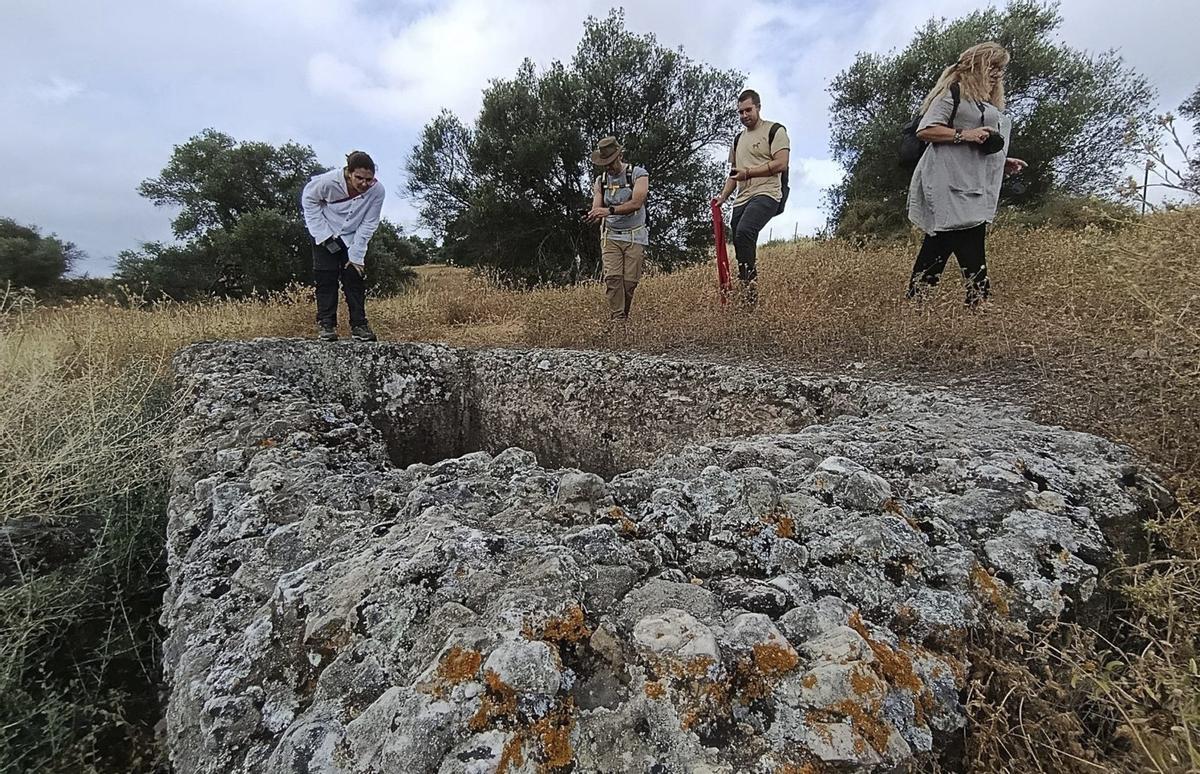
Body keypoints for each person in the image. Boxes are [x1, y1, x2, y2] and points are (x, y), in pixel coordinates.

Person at [906, 42, 1028, 306]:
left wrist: (1002, 161)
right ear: (977, 66)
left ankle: (920, 303)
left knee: (945, 244)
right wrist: (965, 134)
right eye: (993, 67)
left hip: (973, 186)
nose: (998, 74)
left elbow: (977, 145)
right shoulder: (953, 94)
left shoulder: (985, 104)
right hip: (948, 184)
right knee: (957, 242)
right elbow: (926, 131)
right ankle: (975, 304)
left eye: (1001, 69)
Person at [713, 89, 790, 305]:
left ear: (758, 107)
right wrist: (723, 197)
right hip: (742, 197)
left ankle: (750, 292)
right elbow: (734, 173)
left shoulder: (775, 130)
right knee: (739, 238)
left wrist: (749, 172)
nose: (744, 115)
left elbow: (781, 164)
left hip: (767, 193)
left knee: (746, 230)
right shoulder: (738, 140)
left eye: (748, 110)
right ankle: (748, 288)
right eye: (740, 112)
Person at [301, 150, 385, 341]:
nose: (364, 183)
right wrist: (323, 234)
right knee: (326, 278)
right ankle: (326, 325)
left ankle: (359, 326)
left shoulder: (377, 191)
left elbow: (370, 222)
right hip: (326, 231)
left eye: (369, 179)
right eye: (359, 178)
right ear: (349, 172)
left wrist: (357, 253)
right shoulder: (328, 182)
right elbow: (308, 199)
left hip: (352, 236)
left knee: (354, 279)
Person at [585, 136, 649, 320]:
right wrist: (593, 215)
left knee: (629, 284)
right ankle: (617, 321)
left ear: (620, 156)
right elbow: (597, 207)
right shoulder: (601, 181)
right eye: (604, 163)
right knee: (613, 280)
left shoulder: (638, 174)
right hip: (611, 236)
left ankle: (623, 315)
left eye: (611, 162)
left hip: (634, 236)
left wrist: (609, 210)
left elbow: (637, 203)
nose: (608, 167)